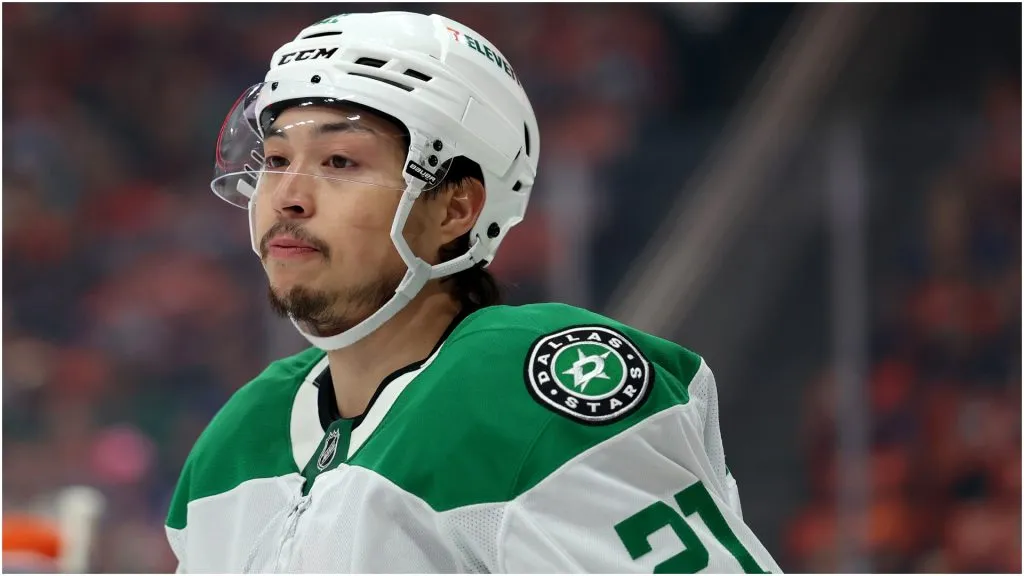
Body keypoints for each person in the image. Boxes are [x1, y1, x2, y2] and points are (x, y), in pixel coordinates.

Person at [166, 11, 781, 573]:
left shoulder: (530, 391)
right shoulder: (237, 440)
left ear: (456, 206)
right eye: (275, 159)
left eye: (340, 162)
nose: (288, 195)